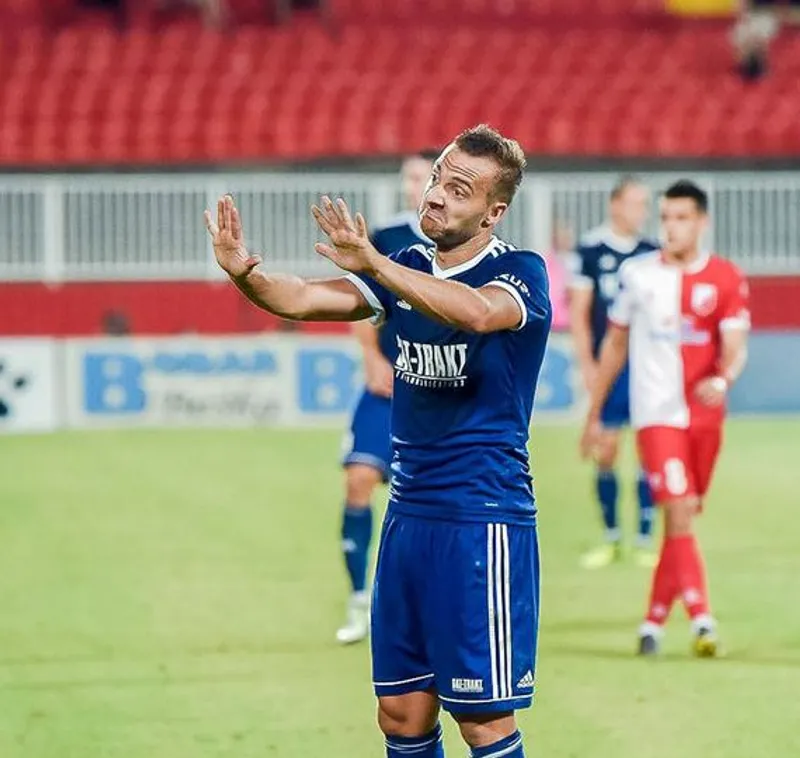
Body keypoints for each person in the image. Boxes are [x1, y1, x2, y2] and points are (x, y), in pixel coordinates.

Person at [204, 124, 548, 758]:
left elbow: (476, 313)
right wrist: (245, 277)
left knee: (483, 721)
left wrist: (377, 264)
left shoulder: (519, 271)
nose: (437, 194)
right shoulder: (407, 265)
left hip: (482, 520)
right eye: (438, 177)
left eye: (459, 189)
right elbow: (303, 297)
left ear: (493, 213)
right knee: (401, 714)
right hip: (408, 517)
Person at [580, 180, 750, 658]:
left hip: (705, 419)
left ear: (702, 222)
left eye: (681, 218)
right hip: (656, 415)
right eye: (666, 217)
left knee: (683, 519)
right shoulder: (638, 275)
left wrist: (724, 379)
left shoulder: (726, 277)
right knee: (676, 510)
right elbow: (614, 345)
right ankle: (702, 620)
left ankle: (652, 622)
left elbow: (736, 348)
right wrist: (594, 413)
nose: (671, 227)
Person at [335, 154, 432, 646]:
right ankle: (359, 601)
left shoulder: (463, 243)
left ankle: (422, 608)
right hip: (388, 385)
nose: (414, 185)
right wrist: (372, 356)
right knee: (359, 479)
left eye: (422, 176)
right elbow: (361, 302)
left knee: (428, 504)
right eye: (408, 178)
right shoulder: (386, 238)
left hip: (435, 391)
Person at [568, 178, 661, 569]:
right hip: (608, 364)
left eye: (645, 204)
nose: (642, 211)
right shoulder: (591, 250)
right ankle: (611, 538)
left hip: (646, 367)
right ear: (615, 205)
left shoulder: (652, 252)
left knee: (648, 451)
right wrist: (587, 364)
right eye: (636, 203)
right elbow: (579, 313)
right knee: (606, 450)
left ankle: (643, 539)